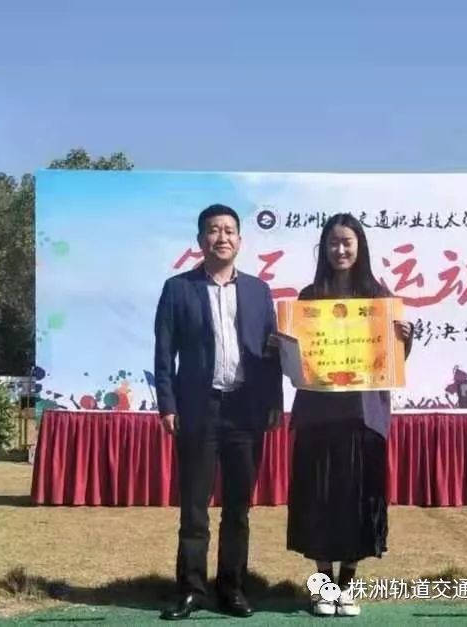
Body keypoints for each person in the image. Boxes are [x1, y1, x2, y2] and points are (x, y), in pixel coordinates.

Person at [154, 204, 283, 620]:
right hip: (198, 409)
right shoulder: (178, 289)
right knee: (194, 509)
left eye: (229, 230)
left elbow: (271, 355)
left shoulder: (259, 292)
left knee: (237, 509)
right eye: (213, 230)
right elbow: (163, 354)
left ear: (240, 240)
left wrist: (274, 403)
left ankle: (233, 588)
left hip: (246, 411)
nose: (221, 237)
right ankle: (191, 590)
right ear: (200, 240)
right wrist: (167, 405)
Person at [285, 213, 413, 617]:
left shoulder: (378, 296)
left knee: (358, 502)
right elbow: (296, 362)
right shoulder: (309, 297)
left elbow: (390, 360)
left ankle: (347, 587)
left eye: (347, 242)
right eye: (333, 243)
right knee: (319, 502)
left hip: (363, 418)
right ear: (323, 249)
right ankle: (323, 586)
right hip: (318, 416)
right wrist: (284, 345)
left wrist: (404, 340)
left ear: (360, 247)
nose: (340, 250)